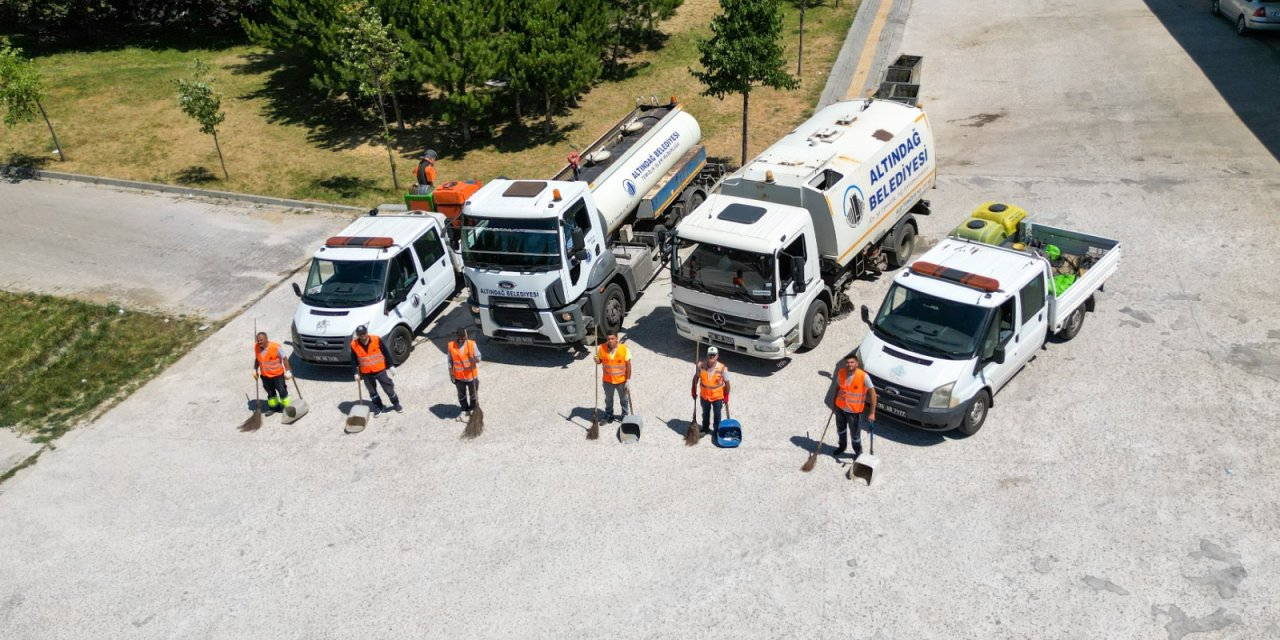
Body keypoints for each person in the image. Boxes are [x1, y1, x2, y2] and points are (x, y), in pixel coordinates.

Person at [834, 353, 877, 457]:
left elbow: (873, 394)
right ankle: (842, 446)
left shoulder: (863, 376)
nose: (849, 364)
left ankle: (858, 451)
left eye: (852, 362)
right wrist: (834, 403)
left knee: (855, 435)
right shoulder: (841, 372)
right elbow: (838, 388)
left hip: (854, 412)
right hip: (840, 408)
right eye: (847, 362)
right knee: (841, 429)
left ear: (857, 363)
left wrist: (872, 413)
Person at [350, 325, 401, 414]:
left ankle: (396, 404)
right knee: (372, 392)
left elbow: (386, 353)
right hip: (366, 374)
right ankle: (378, 407)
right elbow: (353, 360)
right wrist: (355, 373)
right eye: (360, 334)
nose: (362, 335)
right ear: (358, 335)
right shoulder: (354, 345)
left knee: (388, 389)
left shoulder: (376, 339)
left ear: (367, 332)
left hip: (380, 370)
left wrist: (391, 366)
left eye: (364, 333)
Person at [691, 346, 730, 434]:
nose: (712, 356)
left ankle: (716, 431)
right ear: (707, 355)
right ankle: (705, 429)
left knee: (717, 415)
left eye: (714, 355)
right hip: (704, 396)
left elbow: (727, 383)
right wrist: (693, 389)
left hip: (717, 397)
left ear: (717, 356)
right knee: (705, 414)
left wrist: (726, 395)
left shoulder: (722, 368)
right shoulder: (701, 366)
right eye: (710, 354)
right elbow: (696, 378)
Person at [594, 331, 631, 423]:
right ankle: (609, 415)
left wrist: (628, 380)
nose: (610, 341)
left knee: (623, 399)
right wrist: (596, 360)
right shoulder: (602, 348)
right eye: (608, 339)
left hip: (621, 381)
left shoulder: (624, 349)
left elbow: (628, 366)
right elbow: (599, 361)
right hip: (607, 381)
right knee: (608, 399)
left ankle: (625, 415)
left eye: (612, 339)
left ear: (617, 338)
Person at [252, 332, 293, 414]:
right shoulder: (257, 347)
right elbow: (257, 358)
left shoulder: (275, 347)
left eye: (261, 340)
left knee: (282, 391)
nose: (259, 342)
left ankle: (288, 408)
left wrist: (288, 371)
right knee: (270, 393)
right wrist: (255, 369)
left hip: (277, 375)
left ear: (266, 339)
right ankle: (274, 407)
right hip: (265, 375)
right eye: (258, 340)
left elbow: (284, 358)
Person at [448, 328, 481, 420]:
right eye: (459, 338)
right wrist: (451, 375)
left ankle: (473, 409)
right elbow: (450, 362)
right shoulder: (451, 346)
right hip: (459, 377)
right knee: (461, 395)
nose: (461, 340)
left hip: (471, 376)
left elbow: (479, 357)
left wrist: (474, 359)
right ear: (457, 337)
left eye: (463, 338)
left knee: (473, 394)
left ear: (465, 336)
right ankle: (464, 410)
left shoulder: (471, 344)